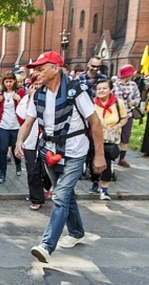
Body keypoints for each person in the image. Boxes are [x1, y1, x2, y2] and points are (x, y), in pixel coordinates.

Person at [14, 51, 106, 263]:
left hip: (75, 152)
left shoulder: (76, 90)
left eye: (40, 68)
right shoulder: (38, 94)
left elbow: (95, 122)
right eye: (35, 69)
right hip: (49, 153)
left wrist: (99, 155)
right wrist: (20, 142)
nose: (36, 72)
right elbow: (28, 123)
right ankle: (77, 232)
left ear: (55, 68)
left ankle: (46, 245)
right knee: (66, 196)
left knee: (60, 195)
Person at [16, 73, 52, 210]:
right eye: (35, 84)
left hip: (47, 139)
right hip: (30, 140)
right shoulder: (27, 99)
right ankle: (37, 198)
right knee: (32, 170)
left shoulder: (50, 97)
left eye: (39, 84)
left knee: (45, 168)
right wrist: (31, 98)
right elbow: (23, 116)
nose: (37, 87)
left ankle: (49, 186)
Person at [92, 79, 127, 200]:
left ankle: (104, 190)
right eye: (99, 89)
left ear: (110, 90)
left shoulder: (118, 103)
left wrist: (118, 126)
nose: (101, 91)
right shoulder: (92, 103)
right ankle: (95, 182)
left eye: (104, 88)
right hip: (95, 138)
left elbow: (124, 118)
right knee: (93, 162)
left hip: (110, 139)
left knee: (106, 162)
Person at [0, 71, 26, 183]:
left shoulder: (20, 92)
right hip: (3, 126)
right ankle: (2, 174)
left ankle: (18, 164)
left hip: (16, 126)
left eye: (11, 81)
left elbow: (26, 108)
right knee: (3, 149)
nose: (9, 84)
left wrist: (19, 99)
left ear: (14, 81)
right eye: (6, 81)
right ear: (3, 82)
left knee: (16, 149)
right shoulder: (0, 94)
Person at [112, 65, 141, 168]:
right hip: (115, 115)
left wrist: (134, 102)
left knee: (125, 137)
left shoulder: (133, 85)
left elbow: (138, 97)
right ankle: (110, 157)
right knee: (112, 136)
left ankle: (122, 159)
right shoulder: (114, 85)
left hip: (128, 114)